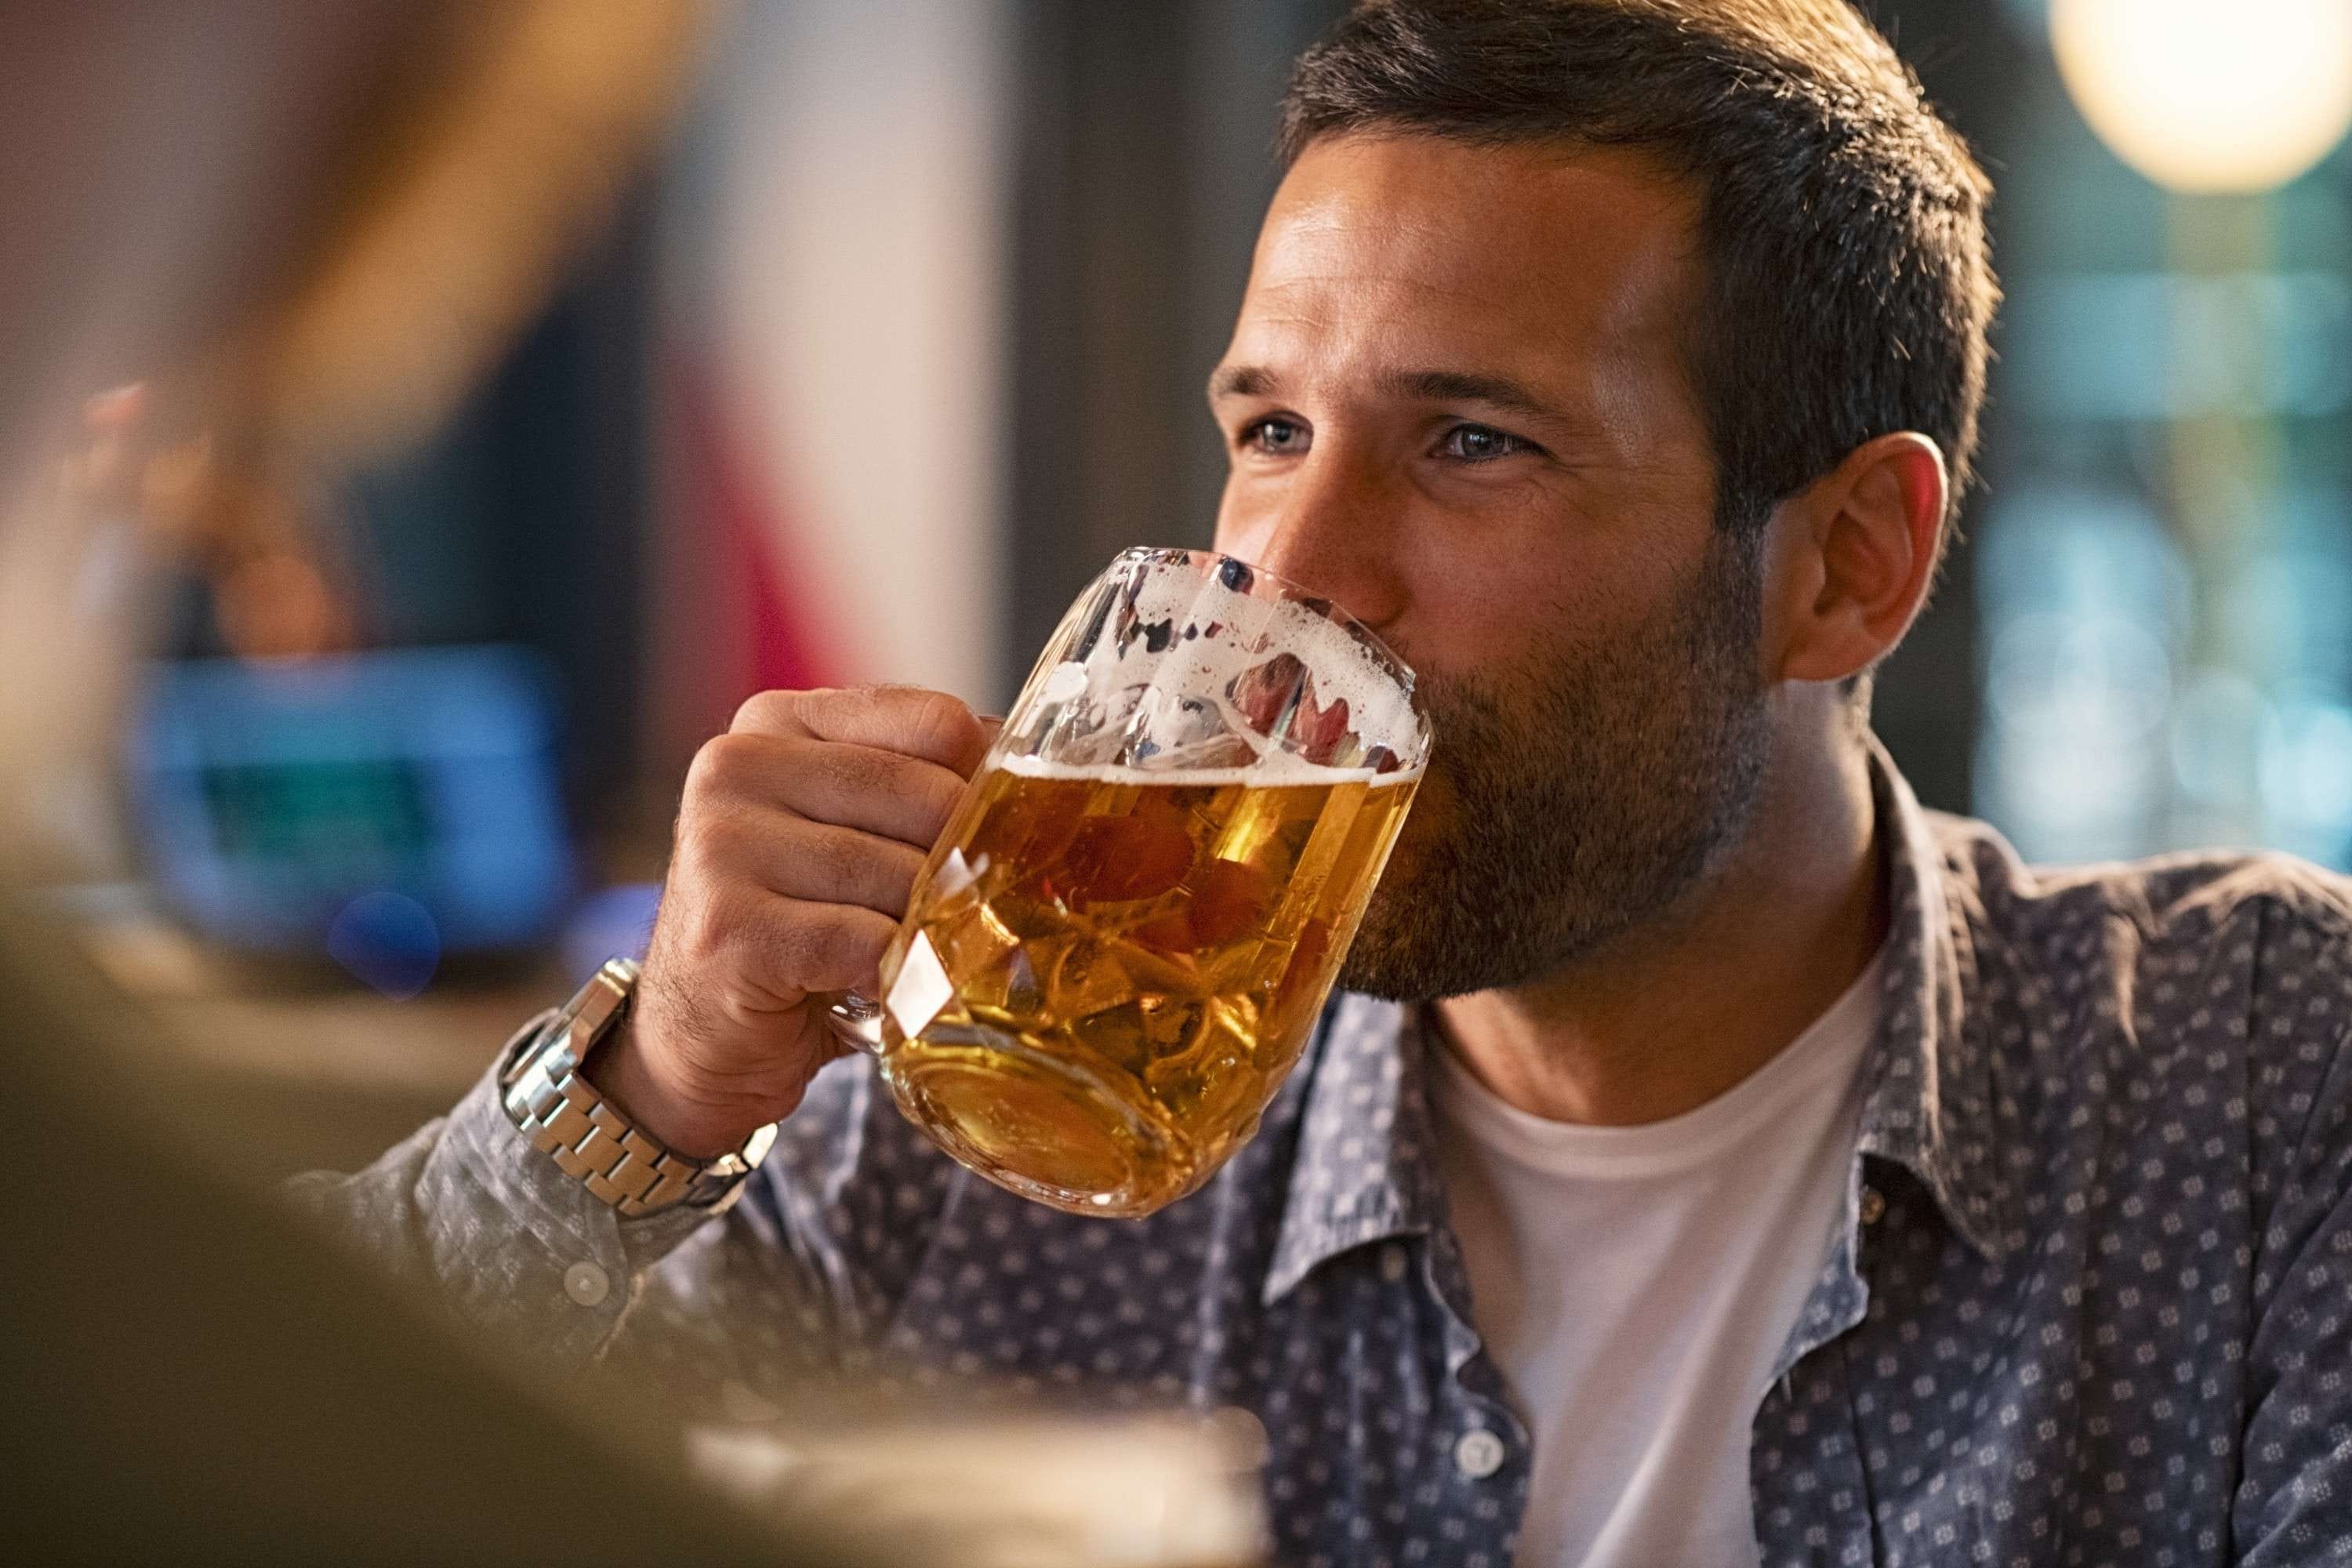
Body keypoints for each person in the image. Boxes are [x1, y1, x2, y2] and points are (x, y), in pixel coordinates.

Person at [302, 2, 2352, 1563]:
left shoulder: (2253, 1085)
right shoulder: (986, 1113)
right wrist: (653, 1088)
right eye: (1271, 431)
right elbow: (239, 1465)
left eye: (1473, 443)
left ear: (1848, 567)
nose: (1294, 576)